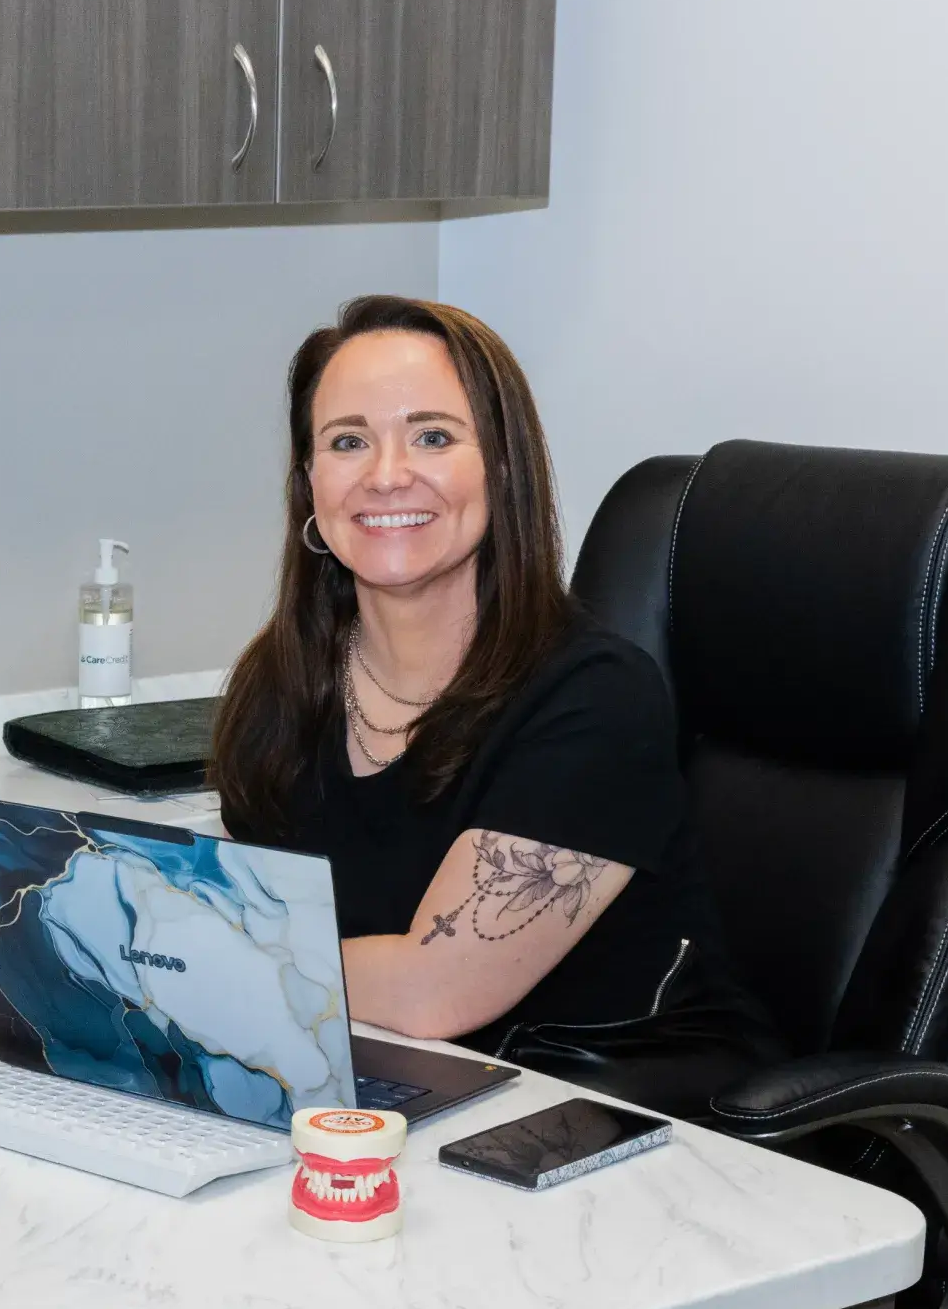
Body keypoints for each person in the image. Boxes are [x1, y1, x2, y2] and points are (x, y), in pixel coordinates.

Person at [212, 295, 780, 1114]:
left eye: (434, 436)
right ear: (310, 486)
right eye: (347, 442)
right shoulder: (283, 682)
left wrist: (200, 956)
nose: (385, 474)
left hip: (630, 1118)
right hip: (403, 1094)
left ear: (503, 469)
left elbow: (434, 990)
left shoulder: (593, 700)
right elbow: (264, 915)